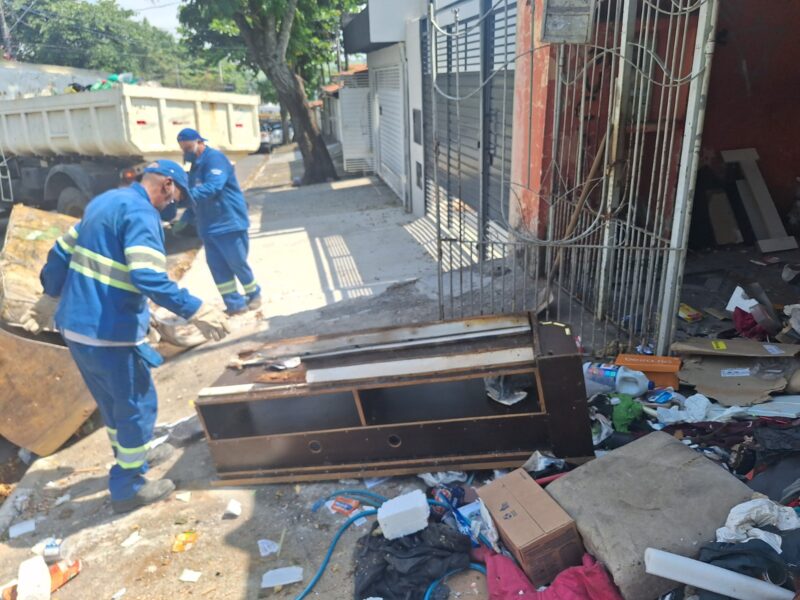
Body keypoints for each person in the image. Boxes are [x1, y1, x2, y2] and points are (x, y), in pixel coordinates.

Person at [21, 160, 230, 514]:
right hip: (109, 332)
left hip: (76, 328)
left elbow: (60, 252)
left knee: (112, 402)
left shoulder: (105, 201)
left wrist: (49, 296)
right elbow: (148, 276)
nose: (171, 206)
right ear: (166, 184)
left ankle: (135, 454)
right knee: (136, 404)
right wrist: (196, 309)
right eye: (174, 198)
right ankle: (128, 485)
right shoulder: (142, 215)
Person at [177, 128, 261, 314]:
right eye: (183, 149)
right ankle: (234, 304)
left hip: (228, 221)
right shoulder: (193, 166)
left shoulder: (215, 159)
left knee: (236, 262)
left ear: (199, 142)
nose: (186, 152)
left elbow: (213, 186)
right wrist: (186, 215)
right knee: (217, 267)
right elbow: (191, 192)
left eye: (188, 147)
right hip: (207, 225)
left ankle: (254, 293)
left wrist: (185, 197)